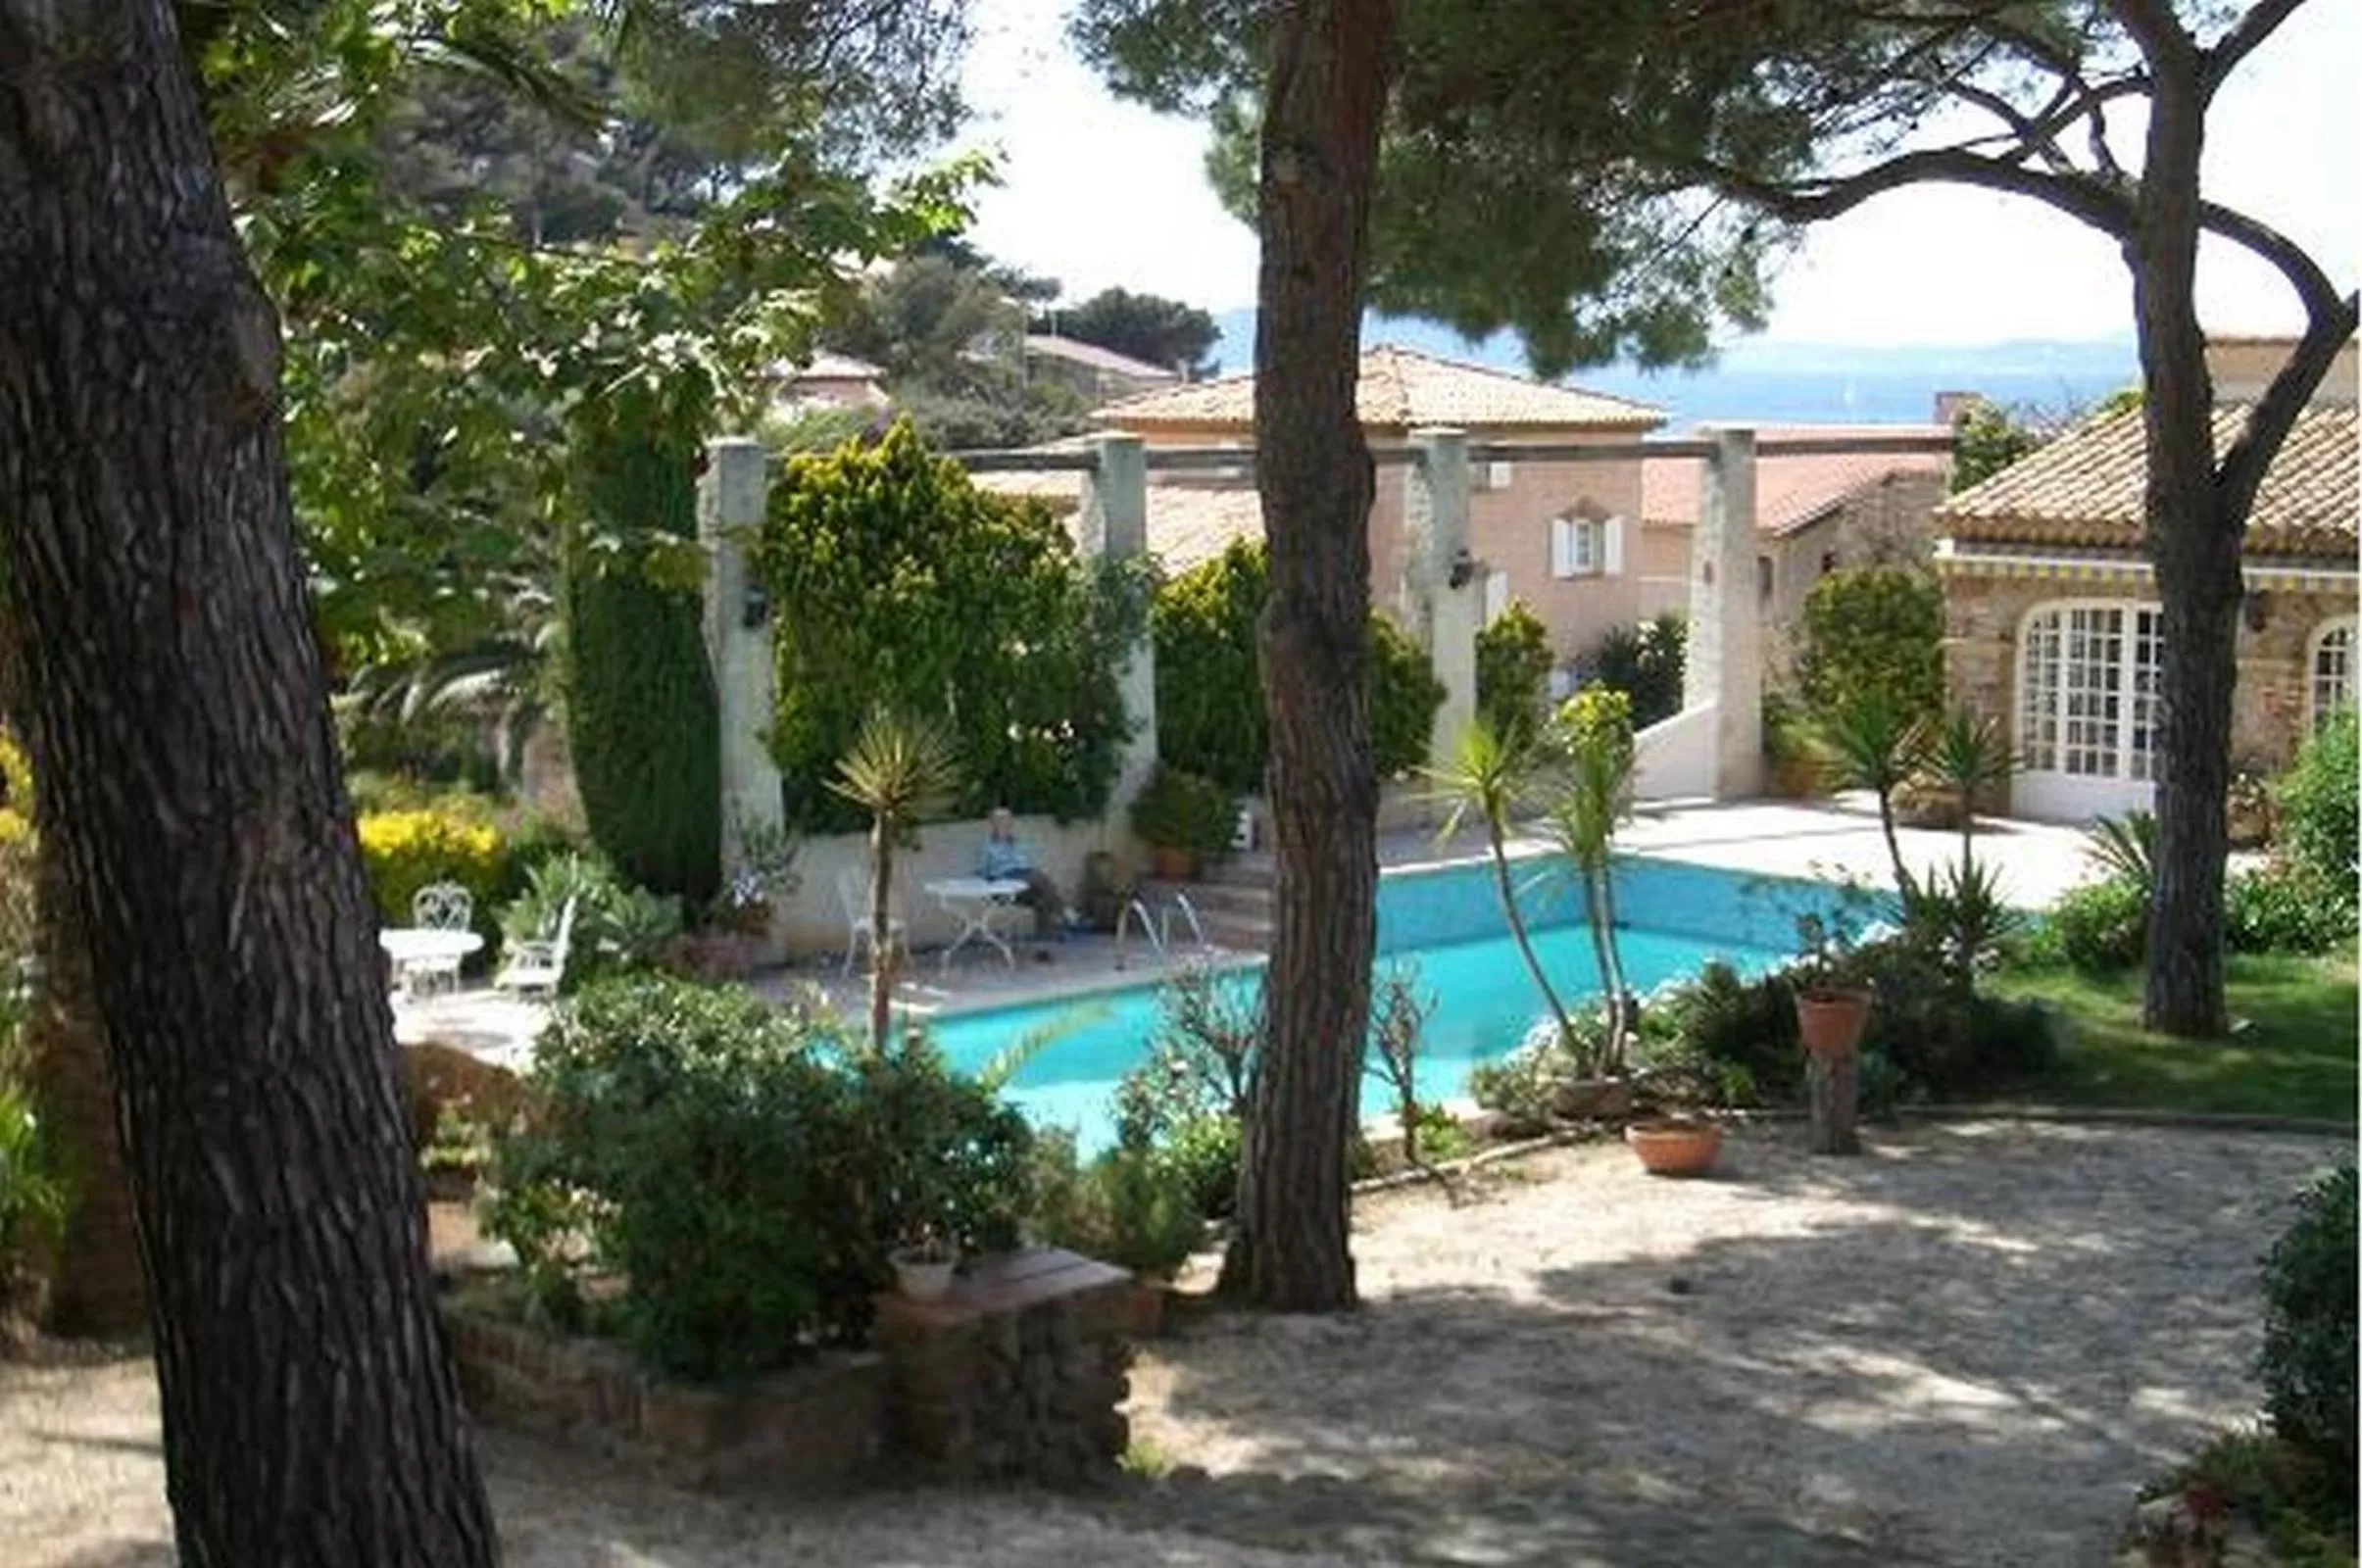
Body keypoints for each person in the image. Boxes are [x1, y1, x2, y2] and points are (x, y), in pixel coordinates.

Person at [978, 808, 1067, 943]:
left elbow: (1026, 863)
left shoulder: (1018, 843)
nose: (1005, 823)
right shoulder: (988, 846)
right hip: (1005, 881)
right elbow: (984, 871)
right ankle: (1064, 914)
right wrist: (993, 884)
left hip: (1025, 880)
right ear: (993, 824)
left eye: (1007, 820)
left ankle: (1044, 938)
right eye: (1000, 820)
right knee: (1040, 877)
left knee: (1041, 899)